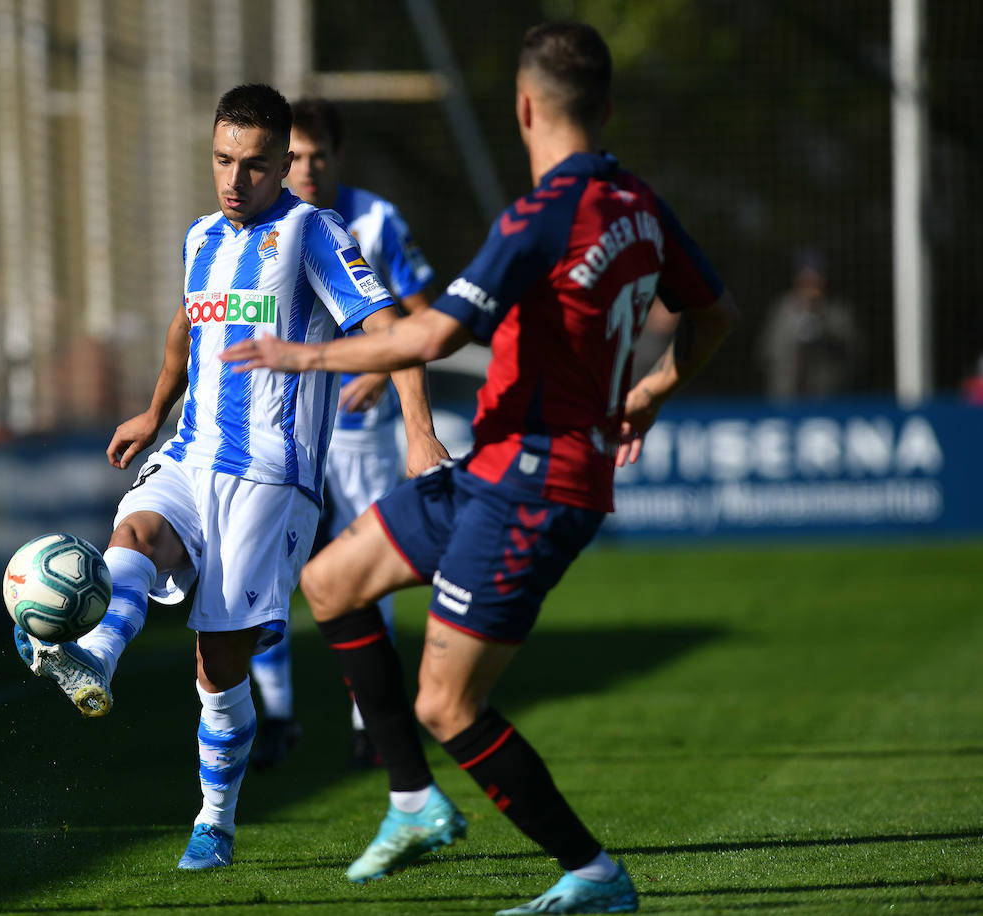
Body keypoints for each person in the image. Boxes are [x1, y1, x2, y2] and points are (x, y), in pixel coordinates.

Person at [221, 23, 739, 914]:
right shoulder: (641, 206)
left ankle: (592, 873)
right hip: (495, 468)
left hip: (535, 486)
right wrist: (655, 388)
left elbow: (429, 333)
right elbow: (715, 311)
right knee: (333, 581)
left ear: (524, 107)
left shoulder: (541, 218)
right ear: (604, 110)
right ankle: (414, 804)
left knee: (446, 705)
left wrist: (297, 356)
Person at [12, 83, 446, 871]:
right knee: (133, 533)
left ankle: (215, 820)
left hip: (271, 481)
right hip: (189, 452)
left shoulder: (314, 233)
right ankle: (95, 658)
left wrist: (419, 433)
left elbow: (396, 331)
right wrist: (153, 411)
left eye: (251, 166)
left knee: (219, 670)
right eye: (221, 160)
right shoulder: (201, 236)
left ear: (283, 164)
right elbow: (187, 324)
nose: (233, 180)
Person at [248, 97, 437, 770]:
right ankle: (273, 717)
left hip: (359, 434)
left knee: (366, 576)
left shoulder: (377, 220)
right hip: (285, 428)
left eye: (315, 154)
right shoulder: (261, 223)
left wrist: (384, 374)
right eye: (291, 156)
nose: (303, 168)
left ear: (337, 155)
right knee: (262, 572)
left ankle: (368, 725)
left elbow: (422, 318)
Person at [756, 249, 858, 400]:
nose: (810, 281)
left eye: (815, 275)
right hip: (785, 399)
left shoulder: (838, 314)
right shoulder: (781, 311)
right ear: (797, 278)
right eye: (805, 275)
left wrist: (823, 330)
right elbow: (764, 354)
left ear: (824, 279)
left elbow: (854, 357)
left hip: (827, 400)